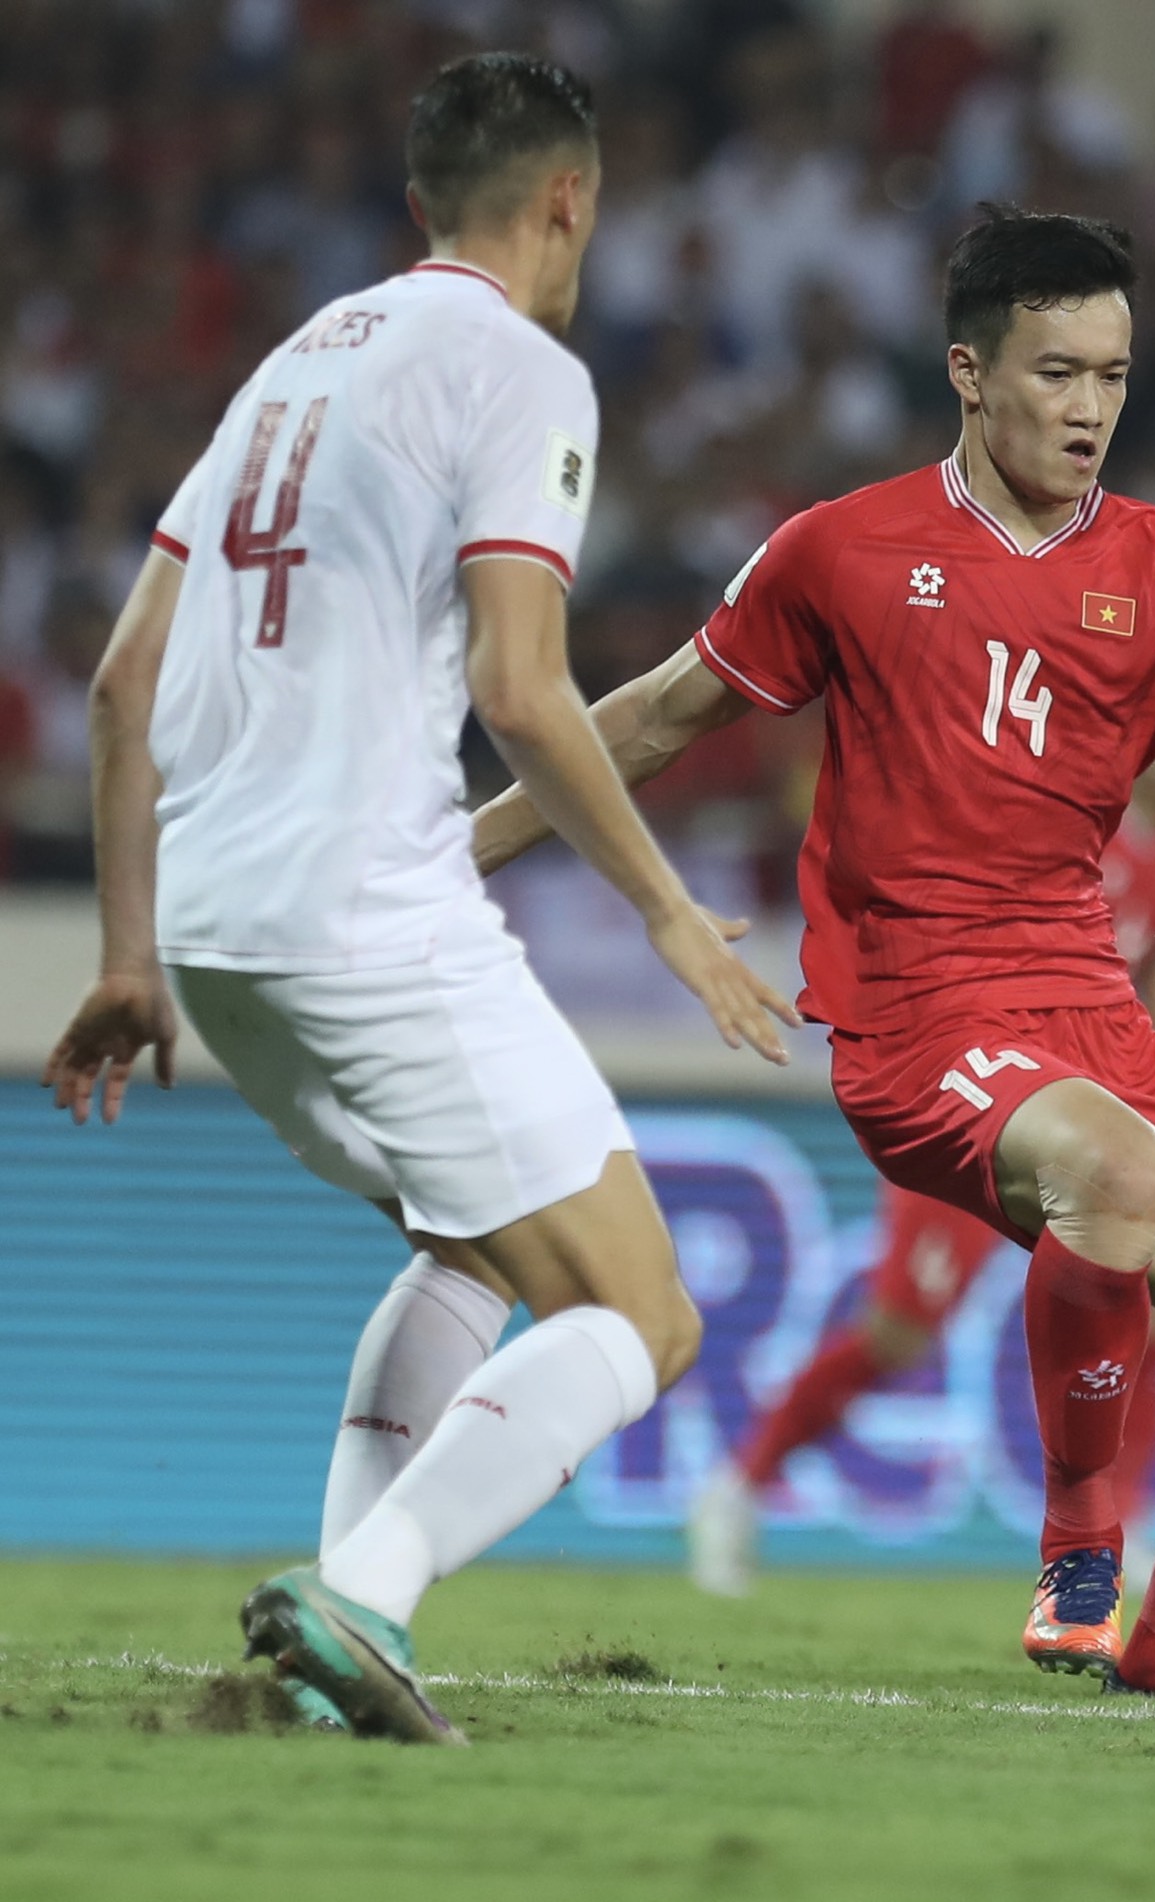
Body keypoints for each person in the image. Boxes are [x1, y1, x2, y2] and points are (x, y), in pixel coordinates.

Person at [471, 204, 1155, 1701]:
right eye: (1057, 372)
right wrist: (449, 853)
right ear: (969, 373)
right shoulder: (845, 549)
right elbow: (657, 716)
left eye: (1114, 376)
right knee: (1113, 1173)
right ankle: (1079, 1549)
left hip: (1091, 1016)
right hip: (915, 1011)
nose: (1089, 409)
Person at [41, 53, 797, 1744]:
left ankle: (327, 1662)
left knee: (469, 1237)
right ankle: (364, 1597)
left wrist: (126, 954)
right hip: (372, 911)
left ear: (413, 209)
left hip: (217, 936)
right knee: (640, 1310)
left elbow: (114, 686)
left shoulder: (292, 369)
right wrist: (672, 915)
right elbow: (526, 690)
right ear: (569, 204)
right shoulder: (523, 372)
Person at [684, 723, 1155, 1604]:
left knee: (1154, 1309)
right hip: (984, 1101)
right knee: (900, 1331)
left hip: (1089, 1119)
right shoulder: (1074, 819)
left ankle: (1128, 1530)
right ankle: (739, 1486)